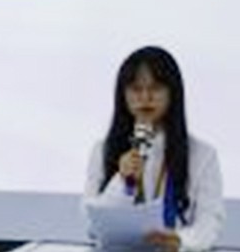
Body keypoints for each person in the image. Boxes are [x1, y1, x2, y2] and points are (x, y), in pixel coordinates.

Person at [82, 46, 222, 251]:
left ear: (172, 93)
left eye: (155, 88)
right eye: (136, 89)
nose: (145, 97)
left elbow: (209, 223)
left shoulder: (202, 155)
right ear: (123, 95)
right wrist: (122, 182)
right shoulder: (103, 150)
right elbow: (91, 224)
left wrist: (181, 240)